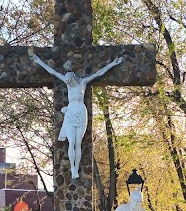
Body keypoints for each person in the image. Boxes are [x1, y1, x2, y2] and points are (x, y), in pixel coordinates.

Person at [31, 52, 124, 180]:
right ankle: (73, 169)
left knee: (78, 143)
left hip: (81, 114)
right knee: (71, 142)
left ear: (74, 78)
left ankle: (77, 166)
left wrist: (113, 64)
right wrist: (38, 61)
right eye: (67, 82)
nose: (69, 83)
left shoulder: (82, 83)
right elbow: (52, 72)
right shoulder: (67, 83)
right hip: (70, 115)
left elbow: (98, 73)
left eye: (70, 81)